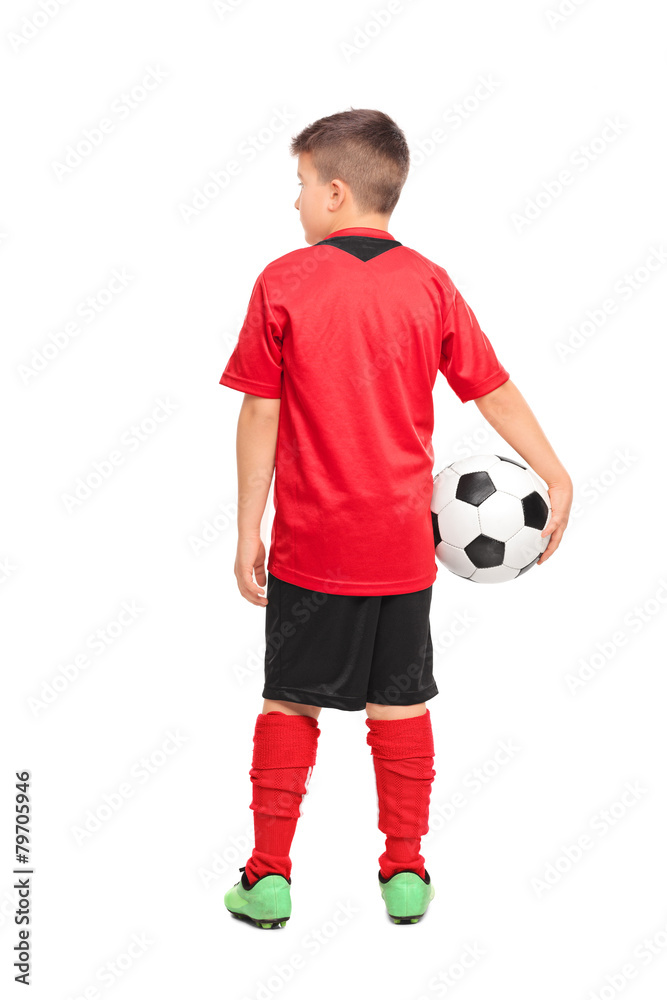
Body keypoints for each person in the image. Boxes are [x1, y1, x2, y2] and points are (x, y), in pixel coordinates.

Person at [218, 109, 574, 929]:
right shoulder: (430, 283)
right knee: (402, 706)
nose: (296, 201)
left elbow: (259, 416)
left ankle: (268, 876)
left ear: (335, 192)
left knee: (289, 703)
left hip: (313, 546)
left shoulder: (285, 280)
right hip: (403, 548)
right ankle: (405, 871)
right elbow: (490, 388)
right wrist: (552, 471)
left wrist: (248, 527)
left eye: (301, 185)